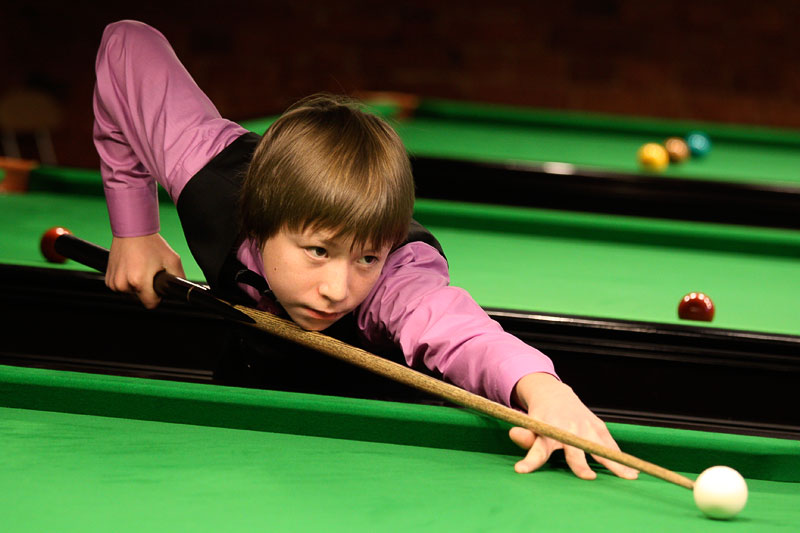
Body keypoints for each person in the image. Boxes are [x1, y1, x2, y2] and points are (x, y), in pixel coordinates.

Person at [94, 19, 638, 481]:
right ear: (259, 221)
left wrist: (541, 389)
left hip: (380, 449)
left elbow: (456, 328)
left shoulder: (398, 278)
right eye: (317, 251)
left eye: (366, 258)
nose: (338, 290)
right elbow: (126, 44)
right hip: (241, 415)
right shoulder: (210, 174)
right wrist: (134, 230)